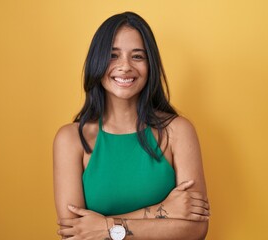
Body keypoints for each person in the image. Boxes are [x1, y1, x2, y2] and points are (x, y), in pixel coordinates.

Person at [53, 11, 210, 240]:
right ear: (97, 61)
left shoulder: (178, 131)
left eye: (137, 56)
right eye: (113, 55)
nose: (125, 66)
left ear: (150, 65)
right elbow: (75, 234)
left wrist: (107, 227)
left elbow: (196, 230)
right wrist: (161, 212)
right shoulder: (71, 139)